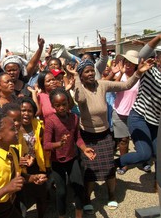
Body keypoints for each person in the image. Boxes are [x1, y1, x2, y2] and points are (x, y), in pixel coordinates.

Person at [68, 58, 154, 213]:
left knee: (109, 168)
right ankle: (87, 198)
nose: (90, 74)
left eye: (91, 70)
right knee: (90, 170)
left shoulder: (102, 84)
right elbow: (79, 98)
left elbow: (126, 85)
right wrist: (75, 76)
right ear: (81, 75)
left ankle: (112, 195)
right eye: (86, 71)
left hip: (105, 134)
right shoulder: (79, 89)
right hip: (88, 136)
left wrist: (139, 72)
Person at [0, 113, 47, 218]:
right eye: (12, 129)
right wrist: (7, 189)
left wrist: (32, 178)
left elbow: (15, 176)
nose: (17, 131)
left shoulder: (13, 152)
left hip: (9, 207)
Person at [116, 34, 161, 188]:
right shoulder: (150, 71)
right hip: (139, 118)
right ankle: (115, 163)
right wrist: (159, 36)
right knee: (144, 154)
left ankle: (158, 185)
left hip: (155, 122)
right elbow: (142, 55)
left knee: (158, 155)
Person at [44, 87, 96, 218]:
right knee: (61, 192)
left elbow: (77, 138)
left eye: (64, 104)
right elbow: (46, 145)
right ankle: (61, 215)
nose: (61, 108)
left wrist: (85, 149)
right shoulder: (50, 121)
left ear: (68, 103)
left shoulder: (74, 117)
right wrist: (59, 144)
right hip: (57, 162)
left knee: (79, 187)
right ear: (53, 106)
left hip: (72, 159)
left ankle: (79, 215)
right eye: (57, 105)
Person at [112, 50, 141, 175]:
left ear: (136, 65)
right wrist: (120, 74)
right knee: (123, 140)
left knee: (138, 139)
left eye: (131, 62)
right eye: (126, 61)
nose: (128, 64)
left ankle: (144, 160)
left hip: (136, 114)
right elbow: (114, 87)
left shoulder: (141, 77)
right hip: (119, 113)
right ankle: (124, 163)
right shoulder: (120, 75)